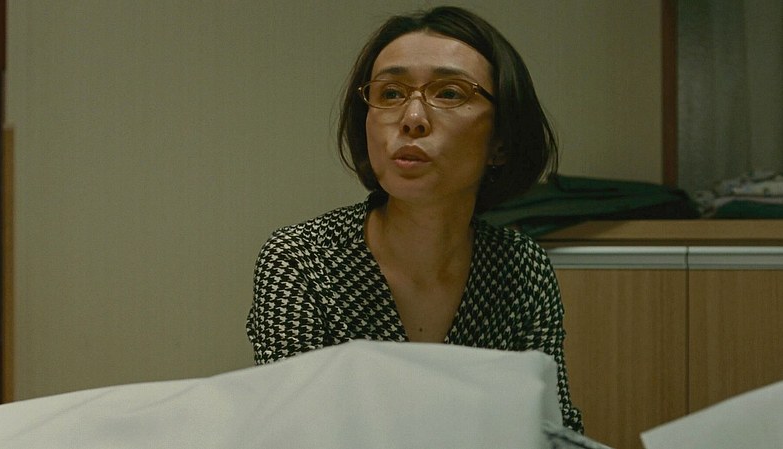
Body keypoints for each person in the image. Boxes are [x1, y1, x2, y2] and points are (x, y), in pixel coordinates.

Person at [246, 5, 583, 433]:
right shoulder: (302, 258)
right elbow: (293, 434)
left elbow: (552, 429)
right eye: (390, 94)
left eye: (449, 93)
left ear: (500, 140)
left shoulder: (520, 267)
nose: (412, 119)